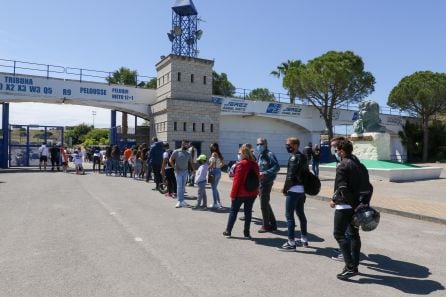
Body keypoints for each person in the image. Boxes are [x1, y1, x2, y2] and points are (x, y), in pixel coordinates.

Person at [330, 139, 370, 280]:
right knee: (354, 235)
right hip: (357, 205)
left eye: (336, 150)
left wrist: (337, 200)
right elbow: (369, 187)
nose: (336, 152)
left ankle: (349, 267)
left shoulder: (343, 165)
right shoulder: (360, 165)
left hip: (345, 206)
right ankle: (355, 266)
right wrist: (362, 204)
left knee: (339, 234)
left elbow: (342, 188)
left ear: (342, 151)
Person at [278, 137, 309, 251]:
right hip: (301, 190)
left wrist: (285, 189)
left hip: (293, 190)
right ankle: (304, 239)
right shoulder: (304, 157)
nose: (287, 146)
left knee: (289, 216)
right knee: (301, 214)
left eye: (289, 144)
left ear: (296, 145)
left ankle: (291, 243)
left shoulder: (294, 158)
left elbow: (290, 177)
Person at [223, 144, 259, 239]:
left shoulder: (241, 164)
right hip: (252, 193)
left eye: (240, 153)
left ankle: (228, 231)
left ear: (243, 154)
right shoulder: (255, 164)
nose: (239, 155)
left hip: (240, 193)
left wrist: (232, 194)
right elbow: (258, 178)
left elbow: (237, 181)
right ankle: (246, 233)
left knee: (234, 211)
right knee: (248, 213)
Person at [256, 137, 280, 233]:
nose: (259, 146)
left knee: (263, 204)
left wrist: (265, 173)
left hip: (267, 182)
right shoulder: (260, 155)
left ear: (266, 144)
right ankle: (273, 224)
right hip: (261, 182)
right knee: (265, 202)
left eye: (261, 144)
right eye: (257, 144)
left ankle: (266, 225)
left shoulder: (269, 154)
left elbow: (276, 167)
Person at [170, 140, 195, 208]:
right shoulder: (176, 151)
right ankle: (179, 201)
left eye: (187, 144)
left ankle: (182, 201)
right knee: (179, 186)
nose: (186, 145)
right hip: (178, 172)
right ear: (182, 144)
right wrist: (174, 167)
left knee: (183, 187)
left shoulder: (188, 153)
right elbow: (170, 160)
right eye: (185, 144)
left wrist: (194, 170)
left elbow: (191, 162)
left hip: (185, 171)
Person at [208, 143, 224, 209]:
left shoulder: (214, 154)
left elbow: (211, 163)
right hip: (218, 171)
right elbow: (223, 163)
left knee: (213, 188)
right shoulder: (219, 154)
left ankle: (215, 203)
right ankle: (218, 202)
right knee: (215, 188)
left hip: (214, 171)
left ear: (214, 147)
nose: (210, 146)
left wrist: (207, 168)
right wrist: (218, 167)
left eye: (211, 146)